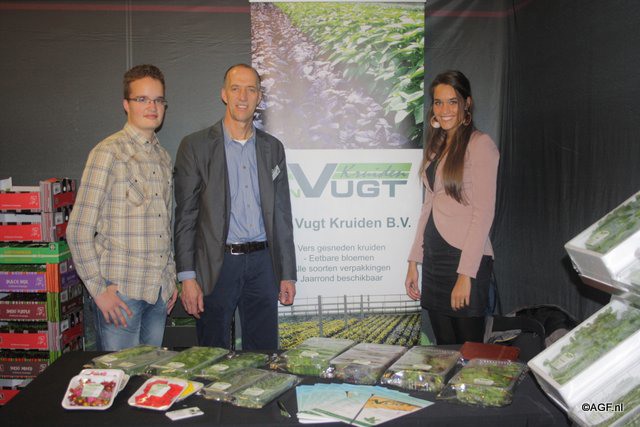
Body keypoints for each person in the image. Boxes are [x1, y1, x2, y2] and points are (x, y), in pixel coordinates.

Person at [174, 63, 296, 351]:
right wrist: (187, 277)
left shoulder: (273, 148)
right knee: (212, 352)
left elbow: (281, 214)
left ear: (259, 97)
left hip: (263, 265)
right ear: (224, 94)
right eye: (236, 88)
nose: (243, 96)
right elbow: (185, 216)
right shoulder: (195, 146)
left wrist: (287, 273)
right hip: (217, 265)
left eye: (251, 90)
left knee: (263, 353)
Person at [67, 64, 177, 351]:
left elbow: (164, 226)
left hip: (157, 293)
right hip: (121, 295)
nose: (152, 106)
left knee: (148, 374)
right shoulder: (108, 153)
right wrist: (98, 291)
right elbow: (78, 230)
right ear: (126, 104)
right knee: (119, 375)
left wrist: (170, 279)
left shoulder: (163, 158)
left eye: (158, 100)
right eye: (142, 99)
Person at [405, 70, 499, 345]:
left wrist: (465, 274)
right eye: (438, 102)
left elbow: (484, 213)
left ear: (466, 103)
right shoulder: (436, 148)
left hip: (464, 260)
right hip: (434, 260)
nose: (444, 110)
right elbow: (428, 206)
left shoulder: (480, 144)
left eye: (452, 102)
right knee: (444, 353)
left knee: (469, 355)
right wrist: (413, 262)